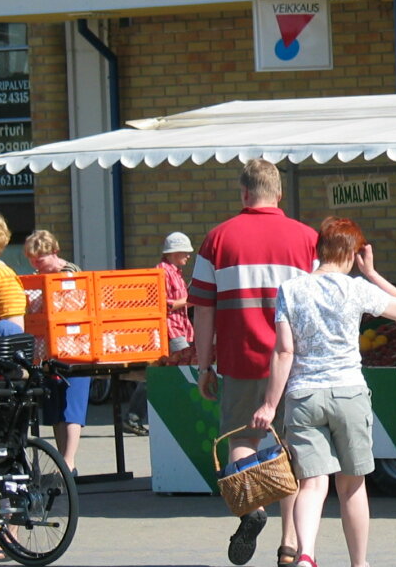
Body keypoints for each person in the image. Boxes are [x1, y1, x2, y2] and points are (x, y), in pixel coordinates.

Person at [250, 217, 396, 567]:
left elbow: (283, 351)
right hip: (348, 393)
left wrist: (268, 404)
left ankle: (306, 554)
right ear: (352, 252)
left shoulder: (290, 290)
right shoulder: (355, 288)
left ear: (319, 249)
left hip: (303, 395)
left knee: (311, 484)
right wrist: (371, 273)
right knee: (352, 486)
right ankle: (359, 563)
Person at [189, 159, 318, 567]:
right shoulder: (308, 239)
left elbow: (203, 309)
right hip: (295, 363)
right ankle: (289, 545)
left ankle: (251, 508)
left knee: (241, 441)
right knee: (292, 453)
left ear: (244, 193)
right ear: (279, 194)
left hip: (239, 359)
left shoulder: (217, 239)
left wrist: (203, 364)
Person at [23, 229, 88, 473]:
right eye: (31, 258)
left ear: (54, 252)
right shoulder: (38, 277)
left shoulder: (68, 273)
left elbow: (70, 307)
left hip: (74, 348)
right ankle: (64, 461)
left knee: (72, 407)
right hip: (48, 350)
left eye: (39, 258)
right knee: (55, 407)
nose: (35, 264)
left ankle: (68, 462)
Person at [124, 232, 196, 436]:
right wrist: (191, 300)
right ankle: (180, 415)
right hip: (170, 329)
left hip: (179, 327)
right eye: (186, 252)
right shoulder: (162, 273)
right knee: (181, 369)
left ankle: (134, 416)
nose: (189, 256)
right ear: (174, 252)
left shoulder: (174, 271)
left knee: (160, 371)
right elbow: (162, 304)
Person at [0, 210, 25, 563]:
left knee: (6, 457)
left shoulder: (1, 275)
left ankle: (9, 535)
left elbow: (11, 331)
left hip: (4, 382)